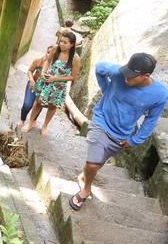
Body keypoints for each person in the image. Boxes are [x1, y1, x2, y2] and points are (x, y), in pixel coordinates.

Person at [69, 53, 168, 211]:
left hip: (121, 134)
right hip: (101, 121)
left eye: (131, 76)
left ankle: (84, 176)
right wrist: (106, 90)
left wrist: (135, 140)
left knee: (99, 163)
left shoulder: (160, 94)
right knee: (93, 163)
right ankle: (86, 189)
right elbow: (99, 67)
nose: (126, 78)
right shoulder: (117, 73)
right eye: (126, 73)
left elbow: (151, 120)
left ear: (146, 76)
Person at [22, 31, 81, 136]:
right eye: (61, 41)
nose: (61, 44)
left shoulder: (75, 59)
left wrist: (56, 78)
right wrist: (44, 72)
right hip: (47, 80)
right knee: (38, 101)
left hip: (58, 84)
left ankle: (45, 125)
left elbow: (73, 76)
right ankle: (30, 122)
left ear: (72, 44)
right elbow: (48, 61)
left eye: (65, 43)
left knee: (52, 106)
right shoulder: (55, 48)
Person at [17, 46, 53, 128]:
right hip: (33, 85)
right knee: (27, 104)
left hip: (44, 89)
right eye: (48, 52)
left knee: (39, 104)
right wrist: (32, 80)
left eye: (51, 54)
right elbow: (30, 71)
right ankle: (22, 119)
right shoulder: (39, 61)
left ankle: (33, 120)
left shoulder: (54, 66)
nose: (48, 55)